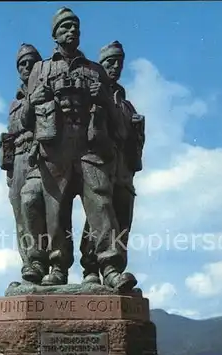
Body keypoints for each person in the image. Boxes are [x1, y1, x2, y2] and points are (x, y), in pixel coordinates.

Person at [20, 7, 127, 287]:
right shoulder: (41, 69)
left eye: (76, 27)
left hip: (90, 145)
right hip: (55, 149)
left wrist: (103, 97)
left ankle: (110, 267)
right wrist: (33, 101)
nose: (73, 31)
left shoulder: (95, 70)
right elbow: (23, 120)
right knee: (56, 211)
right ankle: (58, 267)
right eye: (66, 27)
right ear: (54, 34)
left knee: (101, 205)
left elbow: (117, 122)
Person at [80, 40, 145, 288]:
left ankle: (114, 274)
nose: (115, 67)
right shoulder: (91, 93)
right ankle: (94, 269)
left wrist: (138, 131)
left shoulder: (127, 106)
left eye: (119, 62)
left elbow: (132, 142)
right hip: (98, 162)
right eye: (109, 62)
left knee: (122, 219)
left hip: (123, 170)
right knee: (100, 213)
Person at [0, 43, 49, 283]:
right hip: (19, 159)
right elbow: (14, 128)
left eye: (31, 62)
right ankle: (30, 266)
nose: (26, 67)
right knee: (21, 215)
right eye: (22, 64)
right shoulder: (15, 101)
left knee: (41, 210)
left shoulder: (47, 92)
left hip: (42, 157)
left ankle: (47, 264)